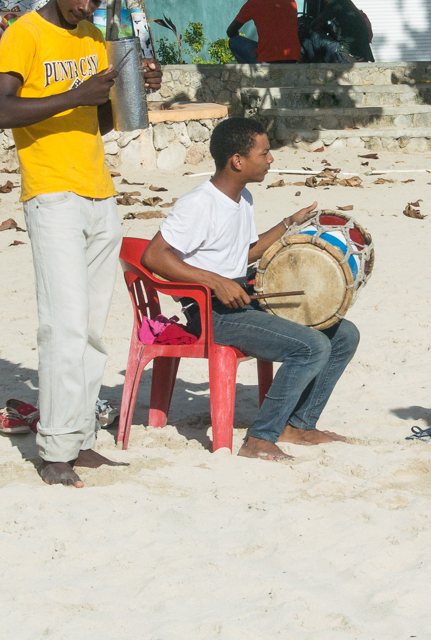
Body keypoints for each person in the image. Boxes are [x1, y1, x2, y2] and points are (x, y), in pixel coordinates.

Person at [0, 0, 163, 488]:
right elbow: (0, 111)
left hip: (98, 191)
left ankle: (81, 437)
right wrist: (76, 95)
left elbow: (98, 122)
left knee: (90, 329)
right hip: (51, 192)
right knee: (62, 324)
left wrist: (136, 91)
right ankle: (55, 450)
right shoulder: (25, 33)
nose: (88, 5)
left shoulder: (93, 39)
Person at [141, 117, 359, 462]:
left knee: (343, 333)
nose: (270, 159)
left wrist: (290, 224)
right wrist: (214, 281)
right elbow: (154, 255)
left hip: (242, 299)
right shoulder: (200, 203)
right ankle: (259, 438)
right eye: (264, 152)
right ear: (237, 160)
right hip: (211, 313)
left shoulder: (243, 198)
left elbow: (244, 252)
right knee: (311, 346)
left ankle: (298, 425)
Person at [226, 0, 301, 65]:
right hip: (292, 59)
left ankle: (250, 74)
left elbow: (230, 32)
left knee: (234, 41)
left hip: (267, 60)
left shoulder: (253, 3)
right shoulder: (291, 2)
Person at [301, 0, 373, 63]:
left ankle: (308, 68)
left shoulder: (335, 3)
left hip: (346, 55)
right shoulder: (346, 2)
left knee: (309, 37)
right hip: (361, 56)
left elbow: (315, 26)